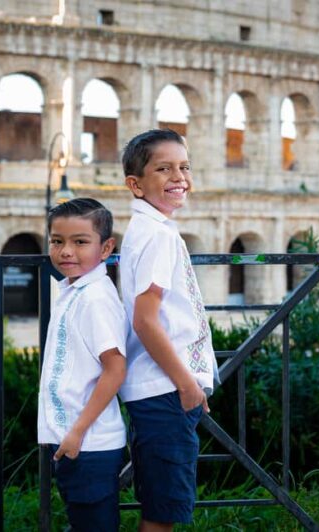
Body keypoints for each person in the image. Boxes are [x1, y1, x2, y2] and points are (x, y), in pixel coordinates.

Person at [119, 129, 218, 531]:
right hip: (165, 390)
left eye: (184, 166)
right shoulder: (157, 235)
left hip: (163, 388)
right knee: (163, 513)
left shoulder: (151, 228)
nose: (179, 177)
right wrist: (187, 384)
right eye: (164, 168)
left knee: (162, 503)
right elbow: (145, 320)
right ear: (136, 184)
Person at [37, 197, 128, 532]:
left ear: (105, 249)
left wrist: (76, 432)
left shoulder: (95, 299)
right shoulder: (76, 290)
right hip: (77, 440)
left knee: (94, 523)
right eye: (57, 241)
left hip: (88, 442)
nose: (66, 252)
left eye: (80, 242)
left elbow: (116, 368)